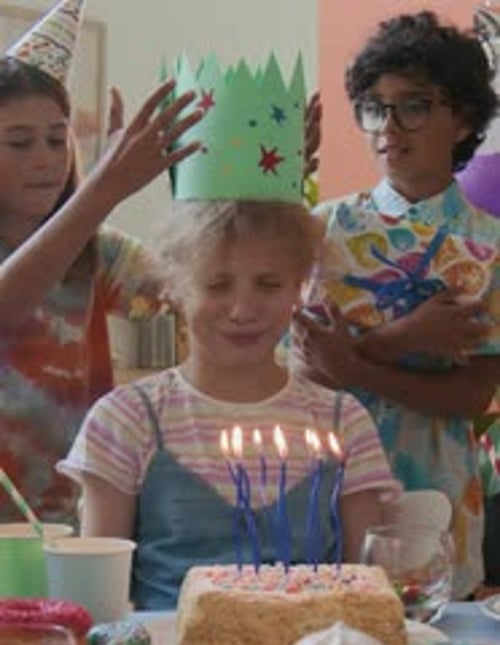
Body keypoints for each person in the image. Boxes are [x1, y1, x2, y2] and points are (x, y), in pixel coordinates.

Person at [58, 198, 399, 610]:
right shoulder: (127, 419)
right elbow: (99, 599)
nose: (242, 310)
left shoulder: (342, 422)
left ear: (299, 287)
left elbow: (368, 588)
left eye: (269, 284)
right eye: (217, 285)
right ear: (175, 289)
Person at [293, 10, 500, 600]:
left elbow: (470, 396)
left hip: (434, 484)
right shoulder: (323, 227)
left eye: (414, 106)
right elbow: (306, 369)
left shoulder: (490, 244)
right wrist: (405, 339)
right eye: (374, 107)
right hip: (322, 481)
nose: (389, 126)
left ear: (461, 118)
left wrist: (354, 365)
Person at [0, 0, 203, 527]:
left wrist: (253, 186)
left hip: (76, 520)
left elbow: (201, 289)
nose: (45, 158)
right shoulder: (89, 220)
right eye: (19, 143)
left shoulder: (102, 253)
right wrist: (100, 193)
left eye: (55, 138)